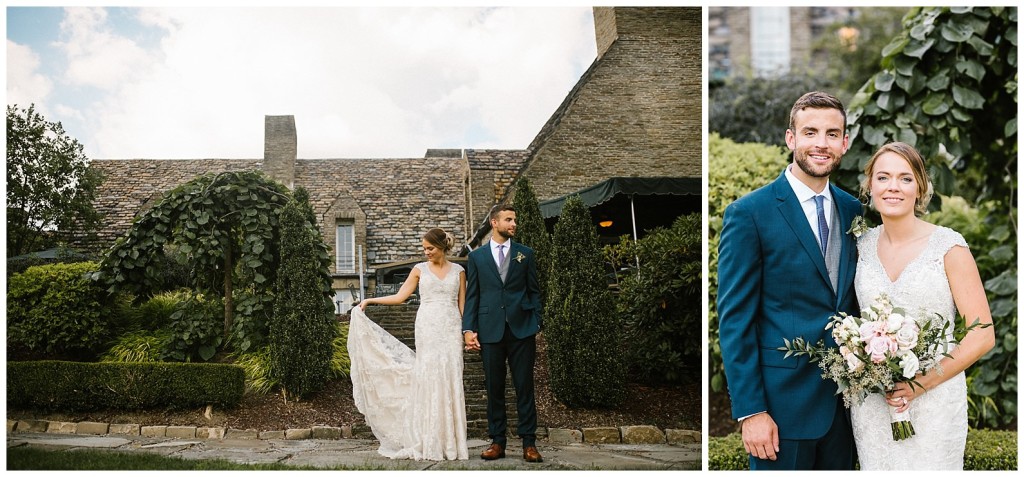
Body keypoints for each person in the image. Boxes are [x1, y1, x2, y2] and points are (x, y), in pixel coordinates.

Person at [717, 91, 860, 470]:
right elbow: (735, 321)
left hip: (848, 410)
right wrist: (751, 411)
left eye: (832, 134)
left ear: (844, 143)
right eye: (810, 132)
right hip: (781, 413)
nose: (821, 143)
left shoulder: (854, 210)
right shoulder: (749, 214)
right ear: (790, 138)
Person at [850, 142, 995, 470]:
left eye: (905, 178)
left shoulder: (949, 247)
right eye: (883, 177)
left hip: (936, 402)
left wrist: (920, 384)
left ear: (920, 188)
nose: (893, 187)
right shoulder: (860, 247)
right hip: (875, 404)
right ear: (869, 186)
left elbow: (982, 335)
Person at [347, 228, 469, 461]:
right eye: (424, 249)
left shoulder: (459, 271)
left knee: (451, 376)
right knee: (429, 377)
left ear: (442, 247)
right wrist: (371, 299)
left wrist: (467, 332)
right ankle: (429, 440)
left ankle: (452, 444)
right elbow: (400, 296)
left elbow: (462, 304)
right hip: (427, 328)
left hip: (451, 327)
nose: (426, 253)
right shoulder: (419, 270)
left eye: (430, 248)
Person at [462, 204, 544, 463]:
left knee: (524, 388)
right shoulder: (477, 257)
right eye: (508, 219)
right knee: (494, 388)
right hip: (490, 330)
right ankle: (497, 442)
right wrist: (468, 329)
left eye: (515, 220)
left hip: (522, 330)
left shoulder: (525, 254)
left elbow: (534, 290)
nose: (514, 224)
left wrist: (536, 320)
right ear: (494, 223)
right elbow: (473, 296)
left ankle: (529, 443)